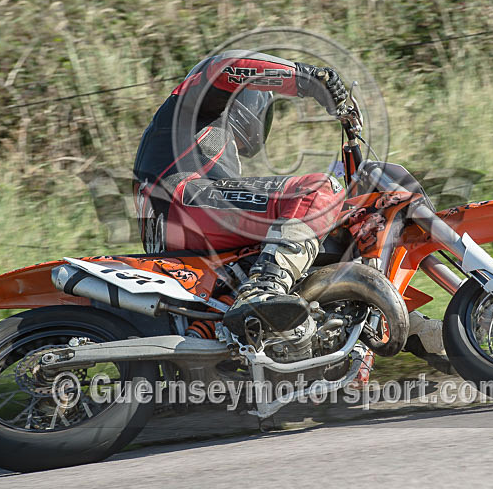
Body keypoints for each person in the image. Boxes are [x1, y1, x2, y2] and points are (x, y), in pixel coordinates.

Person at [133, 50, 348, 334]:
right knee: (317, 190)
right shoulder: (194, 111)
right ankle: (262, 290)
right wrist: (307, 78)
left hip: (183, 232)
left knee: (299, 232)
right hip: (180, 201)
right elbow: (226, 66)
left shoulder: (219, 160)